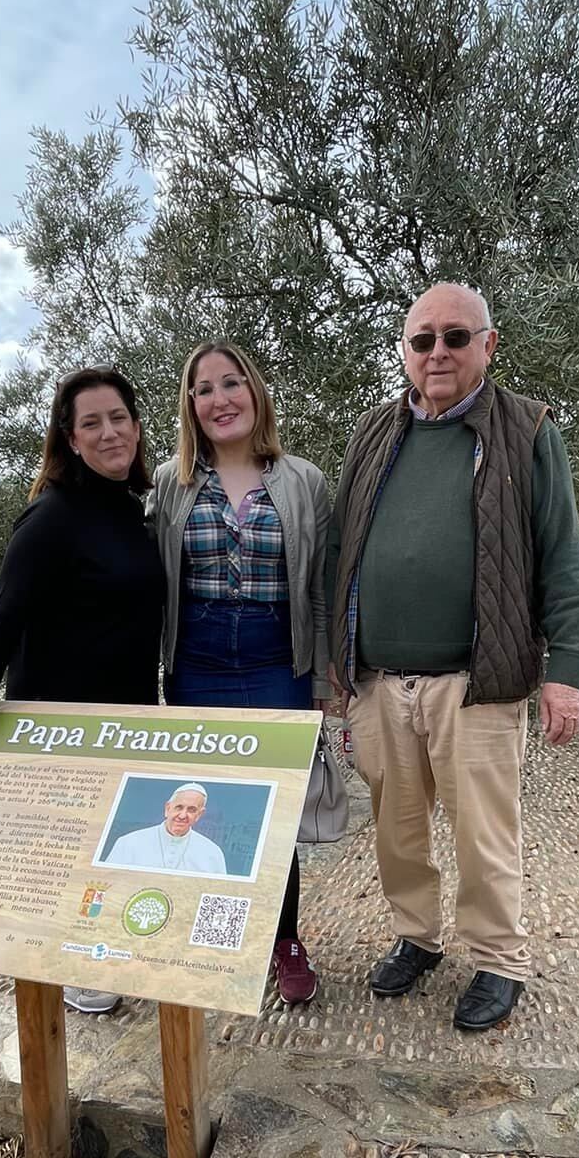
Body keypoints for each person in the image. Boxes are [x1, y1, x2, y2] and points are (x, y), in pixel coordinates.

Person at [328, 283, 579, 1032]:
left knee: (484, 833)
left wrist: (566, 672)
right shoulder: (374, 432)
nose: (436, 353)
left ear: (488, 343)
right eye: (422, 340)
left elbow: (561, 558)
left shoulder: (526, 429)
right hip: (379, 681)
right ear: (406, 352)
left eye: (454, 336)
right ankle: (417, 937)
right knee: (397, 829)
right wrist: (333, 668)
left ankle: (498, 958)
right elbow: (343, 553)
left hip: (475, 682)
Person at [0, 365, 164, 1015]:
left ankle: (105, 948)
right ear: (70, 439)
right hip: (60, 719)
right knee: (71, 851)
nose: (108, 432)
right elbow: (1, 620)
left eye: (117, 418)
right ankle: (79, 966)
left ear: (137, 425)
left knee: (114, 844)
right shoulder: (50, 518)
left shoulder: (139, 507)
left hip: (126, 714)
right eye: (90, 423)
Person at [149, 340, 330, 1006]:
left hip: (274, 660)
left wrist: (322, 676)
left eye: (232, 384)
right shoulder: (170, 483)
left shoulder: (303, 480)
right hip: (195, 663)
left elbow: (319, 586)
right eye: (204, 389)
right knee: (207, 810)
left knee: (275, 819)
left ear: (255, 394)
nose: (219, 399)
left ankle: (283, 940)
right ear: (190, 407)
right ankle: (218, 934)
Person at [105, 783, 228, 874]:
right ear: (168, 808)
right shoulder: (128, 843)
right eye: (179, 807)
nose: (183, 815)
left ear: (199, 815)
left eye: (191, 810)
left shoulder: (213, 854)